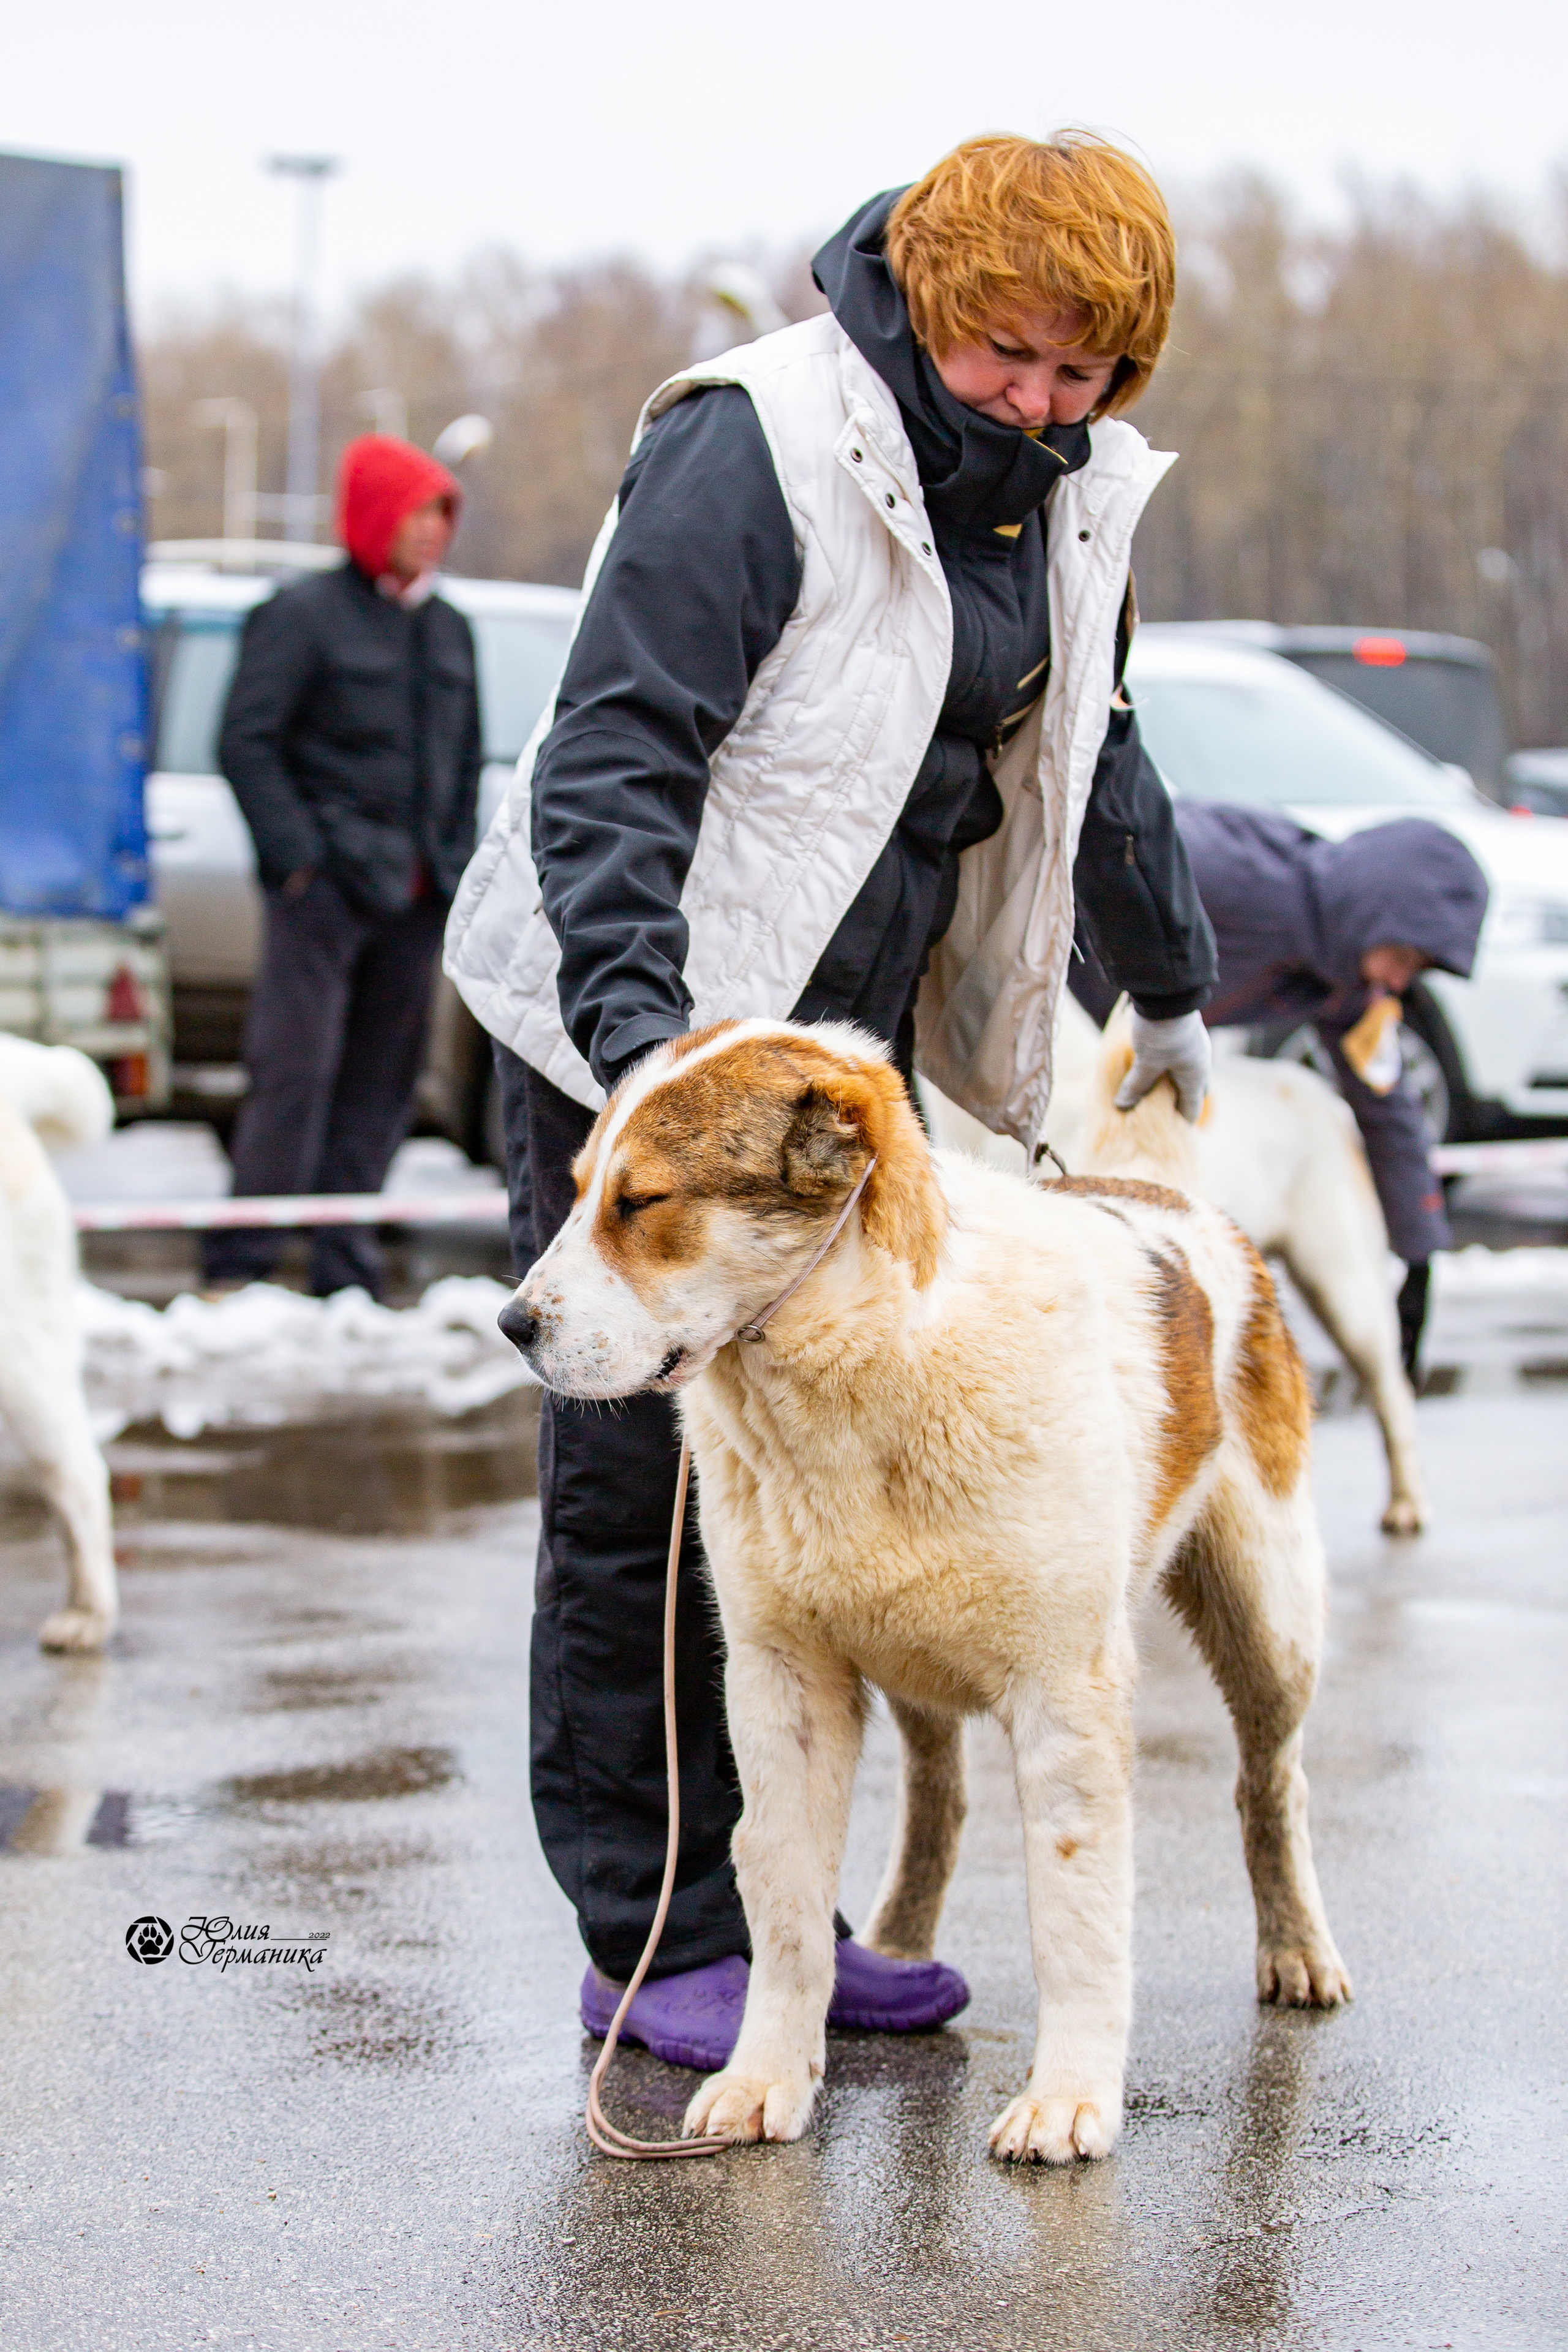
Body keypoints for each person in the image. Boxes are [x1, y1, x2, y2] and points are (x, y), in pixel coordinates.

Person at [445, 134, 1218, 2069]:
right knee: (648, 1484)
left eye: (1084, 371)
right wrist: (646, 1042)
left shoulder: (1071, 493)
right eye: (1008, 355)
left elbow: (1092, 755)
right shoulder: (759, 439)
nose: (1040, 402)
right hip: (630, 1021)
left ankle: (785, 1922)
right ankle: (661, 1934)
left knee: (830, 1474)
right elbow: (616, 746)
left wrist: (1175, 975)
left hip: (840, 1057)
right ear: (928, 302)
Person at [203, 435, 481, 1299]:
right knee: (294, 1073)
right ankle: (241, 1267)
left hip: (417, 897)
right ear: (372, 517)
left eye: (442, 512)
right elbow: (245, 743)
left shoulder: (450, 629)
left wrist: (452, 861)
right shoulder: (300, 615)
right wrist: (298, 863)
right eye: (415, 512)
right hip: (324, 895)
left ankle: (343, 1264)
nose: (432, 529)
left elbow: (463, 758)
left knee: (384, 1084)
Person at [1079, 800, 1488, 1378]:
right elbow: (1107, 841)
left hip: (1117, 1066)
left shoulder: (1344, 980)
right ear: (1377, 911)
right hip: (1051, 1015)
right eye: (1403, 957)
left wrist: (1419, 1252)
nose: (1399, 981)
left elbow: (1387, 1103)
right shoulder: (1233, 873)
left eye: (1414, 970)